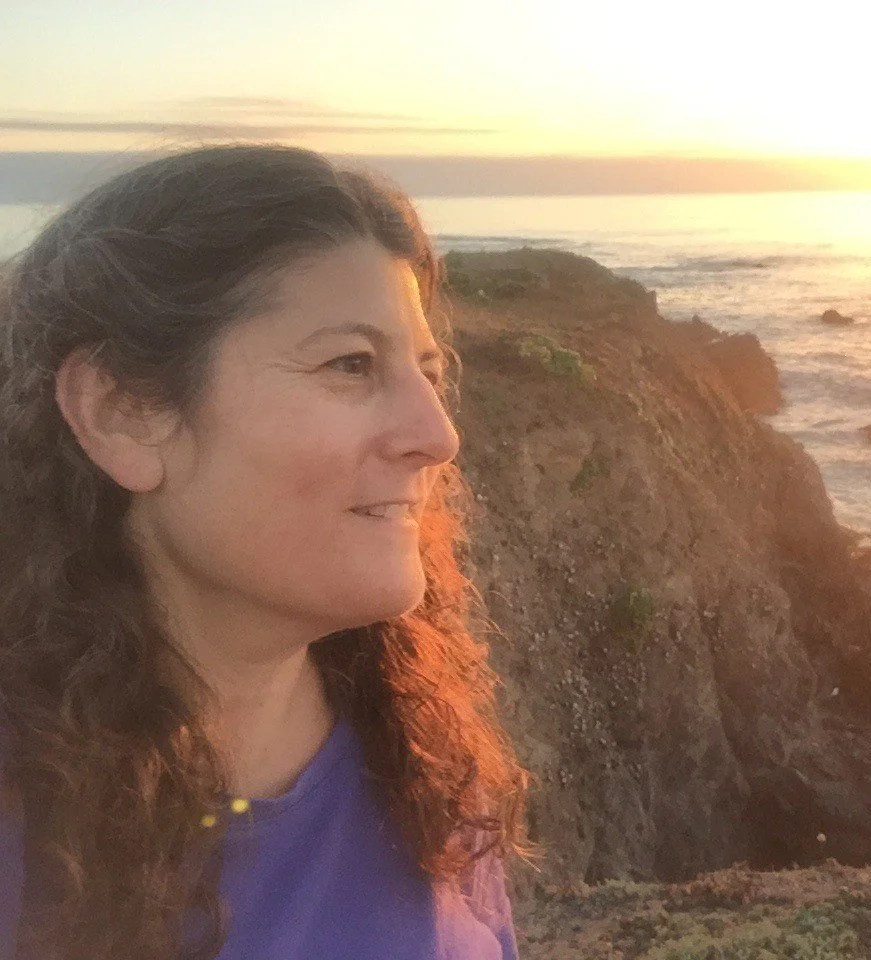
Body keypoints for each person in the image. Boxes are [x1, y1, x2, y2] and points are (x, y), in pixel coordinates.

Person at [0, 143, 538, 960]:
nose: (439, 435)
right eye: (350, 364)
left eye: (429, 373)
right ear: (123, 413)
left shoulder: (423, 771)